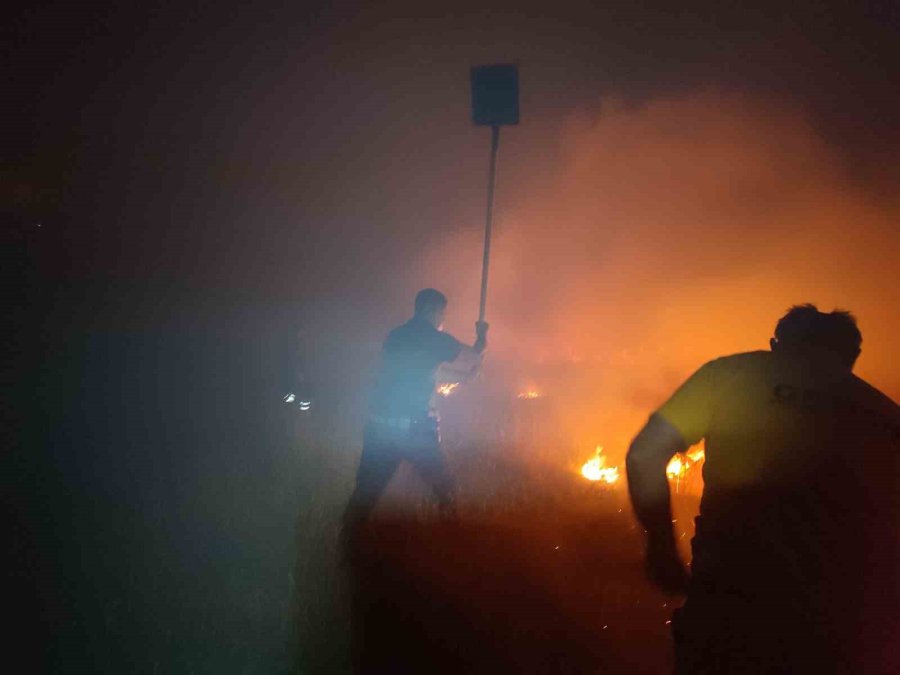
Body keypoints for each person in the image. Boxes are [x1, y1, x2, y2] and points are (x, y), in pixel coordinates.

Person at [626, 304, 899, 673]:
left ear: (777, 345)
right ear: (852, 357)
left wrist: (660, 548)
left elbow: (645, 454)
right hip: (840, 631)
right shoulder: (883, 416)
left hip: (729, 612)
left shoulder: (729, 376)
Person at [343, 289, 488, 531]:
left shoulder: (396, 336)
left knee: (365, 493)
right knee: (445, 487)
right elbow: (474, 357)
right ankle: (454, 542)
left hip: (379, 427)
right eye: (442, 313)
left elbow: (421, 370)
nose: (443, 319)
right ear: (430, 310)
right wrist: (482, 336)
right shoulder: (434, 338)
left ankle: (344, 542)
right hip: (413, 431)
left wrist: (461, 378)